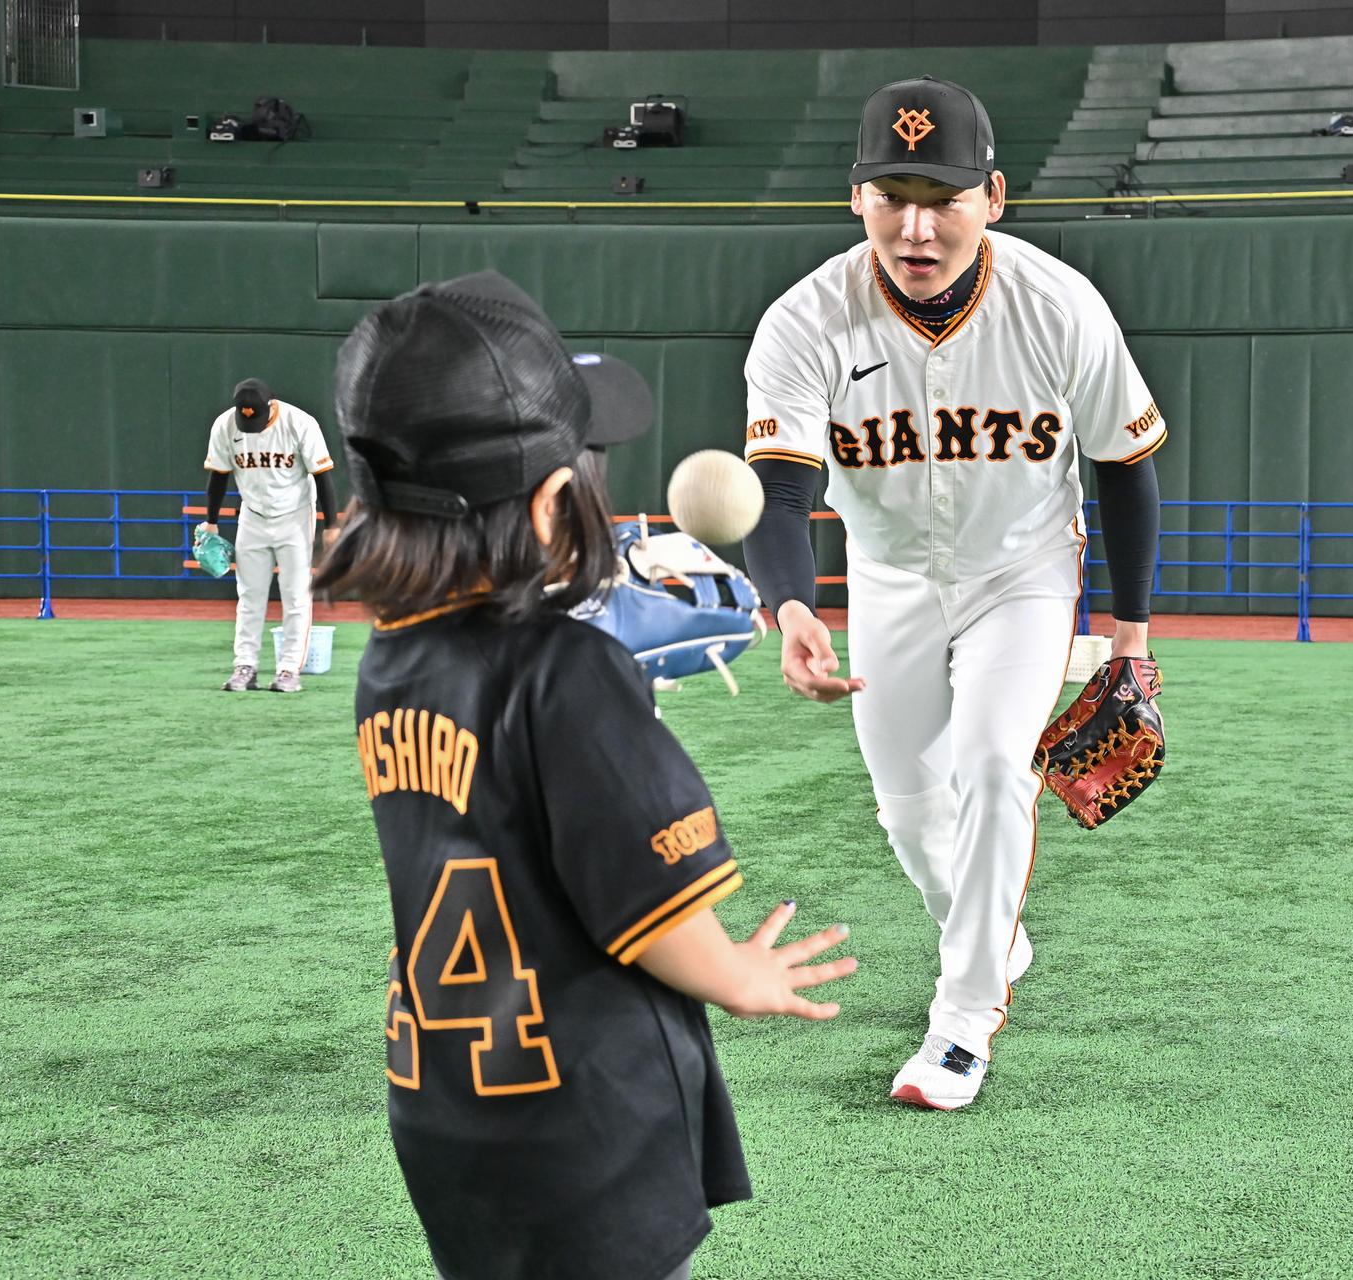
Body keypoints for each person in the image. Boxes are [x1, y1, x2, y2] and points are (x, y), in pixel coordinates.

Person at [314, 271, 855, 1280]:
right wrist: (739, 972)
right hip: (584, 1118)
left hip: (449, 1108)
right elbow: (650, 909)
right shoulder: (570, 670)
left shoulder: (389, 662)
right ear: (557, 499)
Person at [740, 77, 1167, 1110]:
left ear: (994, 196)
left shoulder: (1059, 305)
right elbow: (783, 488)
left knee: (990, 765)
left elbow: (1123, 464)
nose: (917, 224)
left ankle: (962, 1022)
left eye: (944, 195)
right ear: (856, 199)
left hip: (1021, 572)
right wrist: (794, 605)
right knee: (907, 807)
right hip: (886, 579)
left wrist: (1131, 632)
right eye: (892, 194)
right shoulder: (805, 321)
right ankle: (996, 936)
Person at [199, 378, 337, 692]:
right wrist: (211, 522)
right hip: (252, 515)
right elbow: (218, 477)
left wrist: (331, 526)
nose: (251, 424)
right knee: (249, 594)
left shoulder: (299, 422)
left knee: (296, 594)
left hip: (295, 516)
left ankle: (289, 670)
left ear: (271, 404)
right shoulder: (225, 426)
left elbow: (323, 476)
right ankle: (245, 666)